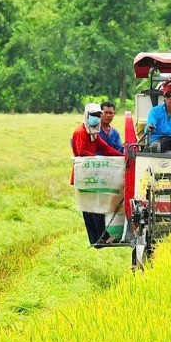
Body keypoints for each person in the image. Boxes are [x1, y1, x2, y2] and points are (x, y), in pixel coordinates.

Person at [71, 102, 123, 245]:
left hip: (94, 175)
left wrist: (121, 157)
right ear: (87, 116)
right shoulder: (81, 132)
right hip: (84, 175)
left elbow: (105, 148)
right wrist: (98, 158)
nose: (96, 118)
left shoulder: (94, 131)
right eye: (93, 115)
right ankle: (96, 239)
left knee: (97, 207)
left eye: (97, 115)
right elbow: (82, 152)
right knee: (88, 209)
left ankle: (102, 237)